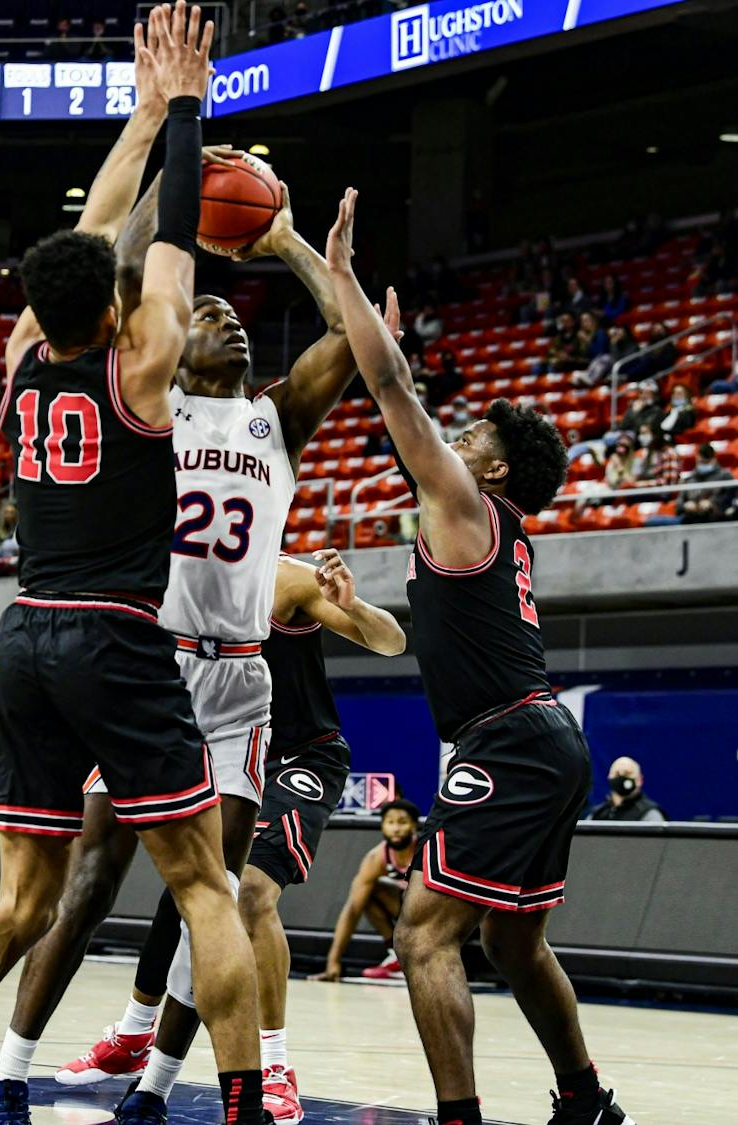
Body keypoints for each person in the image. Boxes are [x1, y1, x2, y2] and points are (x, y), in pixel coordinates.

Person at [0, 13, 273, 1125]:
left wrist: (137, 120)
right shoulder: (147, 361)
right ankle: (232, 1104)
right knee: (204, 887)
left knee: (20, 904)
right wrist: (185, 110)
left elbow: (90, 235)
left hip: (24, 637)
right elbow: (172, 231)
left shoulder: (25, 358)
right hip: (120, 641)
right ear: (119, 309)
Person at [325, 186, 633, 1125]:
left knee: (424, 934)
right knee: (513, 941)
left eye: (470, 441)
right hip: (540, 738)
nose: (450, 445)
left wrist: (335, 273)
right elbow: (445, 638)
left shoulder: (464, 503)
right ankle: (586, 1099)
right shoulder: (489, 531)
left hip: (508, 741)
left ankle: (457, 1117)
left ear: (491, 470)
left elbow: (391, 393)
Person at [58, 553, 407, 1123]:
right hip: (217, 752)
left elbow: (392, 642)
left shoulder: (288, 577)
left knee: (246, 893)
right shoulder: (175, 579)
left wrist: (356, 606)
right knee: (192, 891)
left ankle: (273, 1065)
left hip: (298, 756)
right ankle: (134, 1033)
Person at [309, 799, 423, 984]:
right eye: (390, 822)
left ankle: (423, 954)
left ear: (414, 826)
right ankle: (397, 955)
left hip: (430, 914)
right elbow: (352, 910)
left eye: (402, 822)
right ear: (382, 826)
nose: (395, 828)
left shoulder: (424, 850)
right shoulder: (376, 857)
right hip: (404, 910)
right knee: (366, 895)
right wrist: (333, 962)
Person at [587, 757, 666, 822]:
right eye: (617, 774)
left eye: (627, 773)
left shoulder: (649, 814)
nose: (621, 778)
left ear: (639, 780)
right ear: (609, 777)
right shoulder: (598, 814)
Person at [678, 443, 737, 523]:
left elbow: (731, 499)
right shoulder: (689, 479)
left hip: (717, 519)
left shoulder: (725, 476)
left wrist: (713, 504)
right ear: (697, 459)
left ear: (714, 459)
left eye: (706, 462)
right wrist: (685, 506)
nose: (703, 465)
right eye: (701, 462)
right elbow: (679, 504)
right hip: (690, 519)